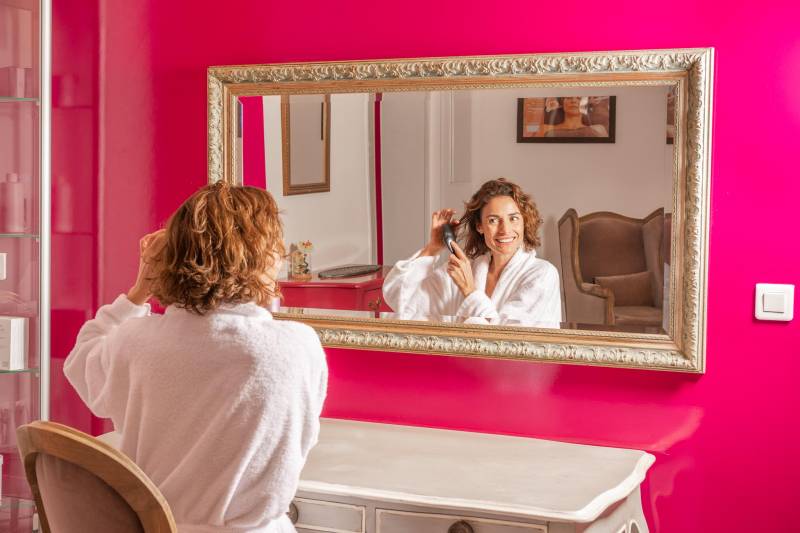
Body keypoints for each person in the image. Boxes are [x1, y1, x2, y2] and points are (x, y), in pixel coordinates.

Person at [64, 182, 328, 533]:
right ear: (263, 258)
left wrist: (140, 290)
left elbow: (81, 362)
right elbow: (299, 440)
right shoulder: (297, 347)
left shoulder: (137, 342)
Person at [382, 178, 561, 327]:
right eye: (493, 220)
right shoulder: (468, 269)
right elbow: (401, 298)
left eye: (513, 218)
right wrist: (433, 248)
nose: (505, 230)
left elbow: (509, 343)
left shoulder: (542, 275)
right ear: (480, 226)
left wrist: (469, 290)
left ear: (524, 222)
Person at [542, 96, 608, 138]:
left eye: (579, 98)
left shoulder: (599, 129)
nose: (573, 101)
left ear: (586, 105)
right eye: (568, 98)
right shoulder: (546, 128)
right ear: (562, 104)